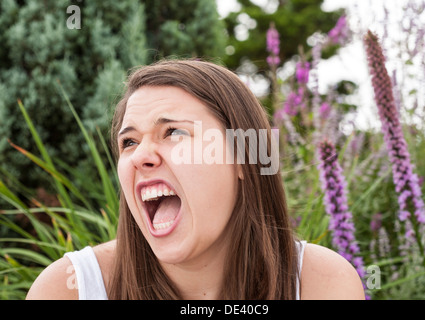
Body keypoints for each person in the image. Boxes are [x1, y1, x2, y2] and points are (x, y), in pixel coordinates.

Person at [26, 59, 365, 300]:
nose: (142, 155)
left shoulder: (319, 283)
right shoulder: (70, 289)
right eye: (129, 141)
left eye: (172, 132)